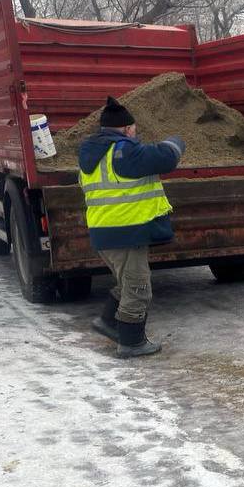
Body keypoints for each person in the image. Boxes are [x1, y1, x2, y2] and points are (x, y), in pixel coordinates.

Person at [78, 96, 186, 358]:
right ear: (127, 129)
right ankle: (131, 342)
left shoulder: (92, 155)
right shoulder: (123, 152)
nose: (135, 133)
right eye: (134, 129)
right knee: (139, 288)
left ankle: (108, 322)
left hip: (105, 232)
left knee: (128, 283)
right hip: (125, 232)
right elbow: (167, 157)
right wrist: (177, 140)